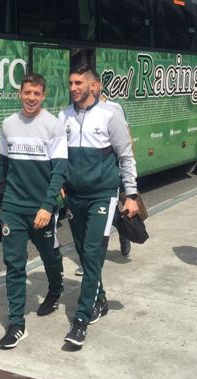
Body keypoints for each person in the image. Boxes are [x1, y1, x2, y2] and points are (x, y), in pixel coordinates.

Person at [58, 65, 138, 346]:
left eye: (79, 83)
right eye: (70, 83)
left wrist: (131, 194)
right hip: (74, 197)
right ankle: (100, 299)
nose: (73, 87)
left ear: (92, 86)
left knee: (92, 253)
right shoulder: (63, 116)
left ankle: (81, 319)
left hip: (103, 195)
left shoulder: (109, 116)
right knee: (82, 251)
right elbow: (58, 157)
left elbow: (126, 156)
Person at [0, 73, 67, 349]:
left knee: (50, 255)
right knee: (14, 264)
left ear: (44, 96)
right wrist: (1, 197)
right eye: (27, 93)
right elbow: (3, 165)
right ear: (20, 93)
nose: (31, 98)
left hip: (41, 209)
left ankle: (56, 289)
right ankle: (16, 324)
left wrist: (48, 206)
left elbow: (59, 170)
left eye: (37, 94)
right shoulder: (8, 124)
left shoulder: (53, 125)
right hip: (13, 208)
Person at [74, 74, 133, 276]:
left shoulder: (114, 109)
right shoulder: (76, 110)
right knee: (103, 219)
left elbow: (126, 139)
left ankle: (121, 234)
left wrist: (129, 178)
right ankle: (89, 262)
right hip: (88, 183)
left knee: (106, 219)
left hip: (110, 172)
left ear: (97, 86)